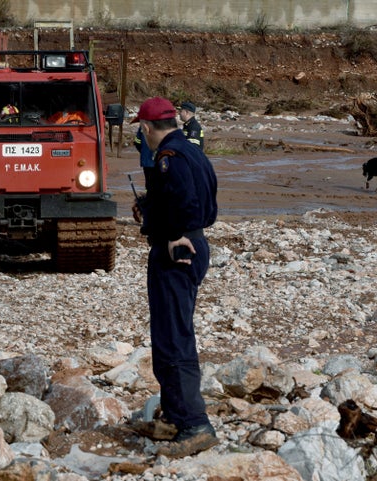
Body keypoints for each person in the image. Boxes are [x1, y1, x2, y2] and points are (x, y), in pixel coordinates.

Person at [131, 96, 219, 459]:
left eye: (141, 129)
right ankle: (173, 415)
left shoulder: (169, 158)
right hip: (193, 245)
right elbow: (201, 197)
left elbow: (186, 203)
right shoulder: (191, 150)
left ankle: (194, 424)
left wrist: (172, 236)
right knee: (170, 333)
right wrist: (150, 207)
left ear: (147, 128)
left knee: (174, 338)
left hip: (179, 253)